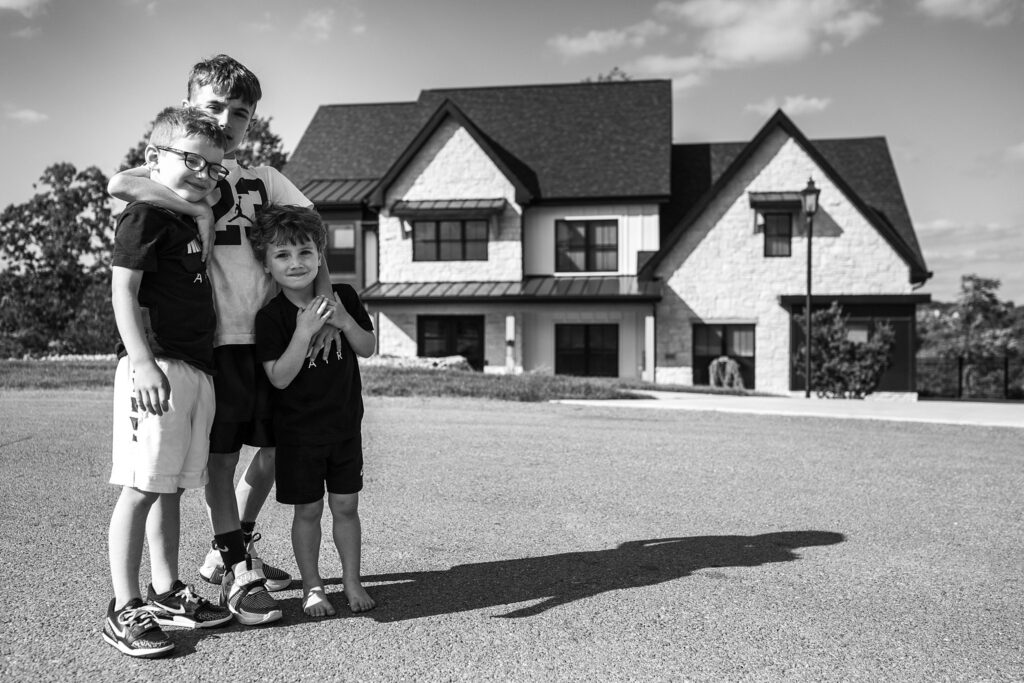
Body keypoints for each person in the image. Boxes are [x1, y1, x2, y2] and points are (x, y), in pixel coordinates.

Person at [108, 54, 337, 625]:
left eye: (240, 112)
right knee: (217, 460)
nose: (227, 120)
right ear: (188, 107)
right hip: (213, 343)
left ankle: (231, 541)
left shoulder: (262, 178)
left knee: (278, 448)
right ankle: (238, 568)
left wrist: (321, 310)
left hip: (271, 336)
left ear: (252, 120)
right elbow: (123, 184)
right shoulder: (183, 170)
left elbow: (313, 239)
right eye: (213, 107)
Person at [104, 106, 234, 658]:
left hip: (194, 368)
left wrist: (201, 211)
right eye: (191, 161)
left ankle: (165, 591)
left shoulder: (188, 214)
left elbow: (204, 193)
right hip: (156, 366)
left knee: (170, 485)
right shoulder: (143, 217)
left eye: (214, 166)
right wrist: (143, 362)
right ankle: (123, 607)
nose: (204, 173)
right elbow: (123, 293)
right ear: (153, 157)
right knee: (141, 488)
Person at [252, 205, 377, 617]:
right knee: (308, 511)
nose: (296, 263)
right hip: (298, 435)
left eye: (305, 252)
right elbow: (280, 378)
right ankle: (312, 585)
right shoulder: (270, 318)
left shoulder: (343, 297)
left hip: (344, 429)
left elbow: (367, 347)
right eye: (282, 255)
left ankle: (352, 581)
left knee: (346, 507)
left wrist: (342, 320)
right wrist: (304, 332)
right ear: (267, 264)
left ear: (319, 255)